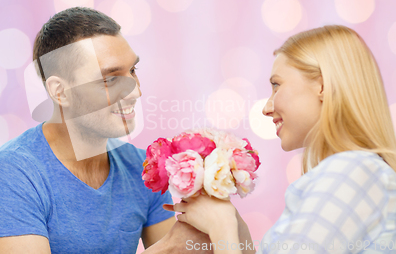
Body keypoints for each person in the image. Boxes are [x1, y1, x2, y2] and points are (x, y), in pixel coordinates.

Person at [0, 7, 205, 253]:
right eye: (110, 79)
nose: (135, 91)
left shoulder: (141, 168)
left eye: (132, 71)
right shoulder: (13, 173)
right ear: (60, 92)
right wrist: (164, 249)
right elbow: (169, 248)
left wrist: (222, 211)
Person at [169, 25, 396, 253]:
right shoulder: (354, 174)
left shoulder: (351, 172)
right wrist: (237, 230)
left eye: (276, 85)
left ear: (323, 85)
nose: (267, 108)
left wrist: (222, 227)